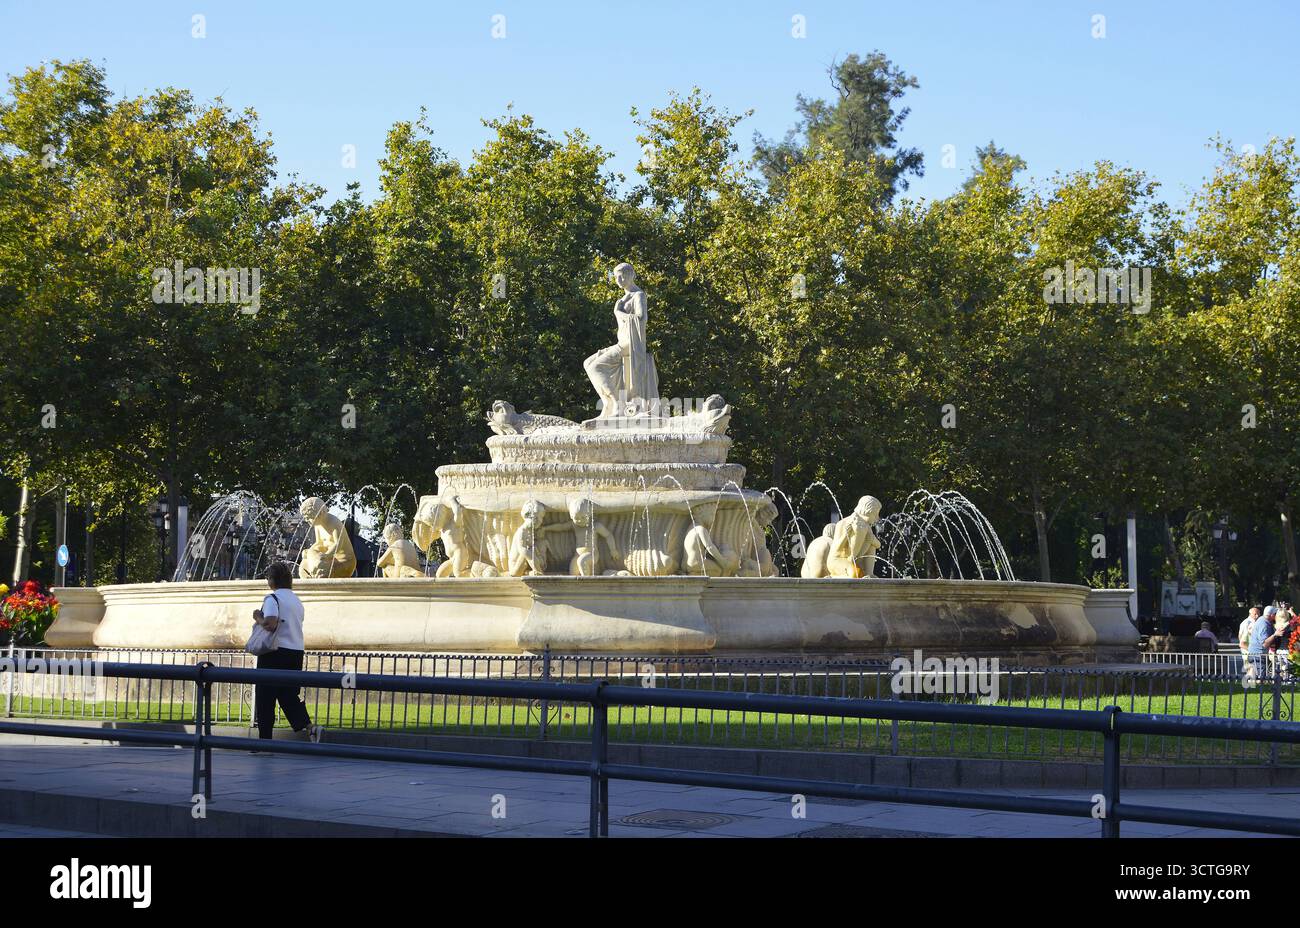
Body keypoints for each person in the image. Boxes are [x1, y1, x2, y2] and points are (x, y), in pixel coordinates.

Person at [252, 561, 321, 742]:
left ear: (272, 581)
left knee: (265, 698)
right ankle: (310, 727)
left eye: (268, 578)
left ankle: (265, 741)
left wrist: (258, 617)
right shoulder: (296, 601)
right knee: (288, 695)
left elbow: (270, 623)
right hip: (295, 651)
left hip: (274, 652)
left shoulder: (272, 598)